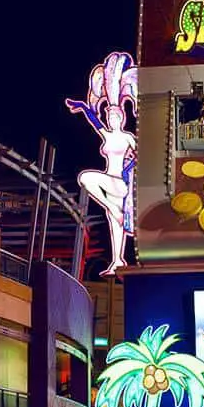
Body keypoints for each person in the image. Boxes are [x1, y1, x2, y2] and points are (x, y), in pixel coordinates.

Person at [66, 51, 138, 277]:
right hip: (110, 182)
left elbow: (140, 156)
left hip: (119, 182)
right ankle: (117, 261)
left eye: (114, 115)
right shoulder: (106, 135)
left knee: (86, 177)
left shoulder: (128, 138)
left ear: (121, 117)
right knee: (113, 222)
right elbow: (93, 119)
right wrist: (82, 106)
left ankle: (114, 208)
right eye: (109, 116)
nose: (111, 118)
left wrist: (128, 168)